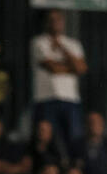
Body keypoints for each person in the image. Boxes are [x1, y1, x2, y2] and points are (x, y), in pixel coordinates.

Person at [31, 9, 87, 151]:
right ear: (46, 23)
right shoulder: (39, 42)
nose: (55, 22)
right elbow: (52, 68)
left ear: (63, 22)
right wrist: (72, 68)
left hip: (70, 98)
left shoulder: (73, 44)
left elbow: (82, 68)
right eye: (51, 19)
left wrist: (62, 48)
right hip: (46, 98)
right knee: (47, 138)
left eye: (58, 19)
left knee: (73, 137)